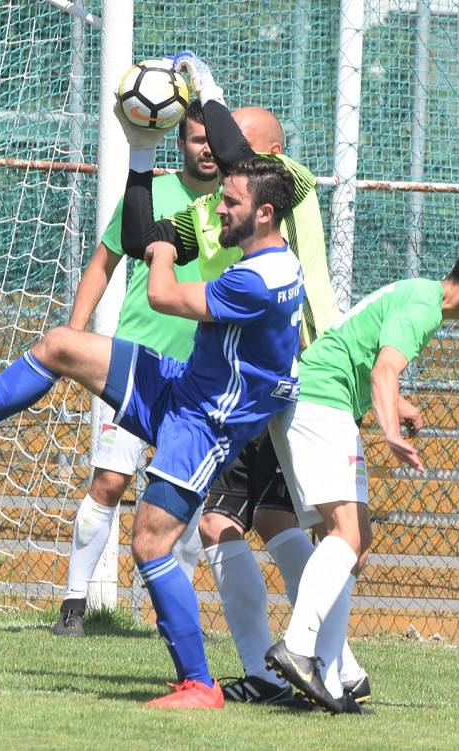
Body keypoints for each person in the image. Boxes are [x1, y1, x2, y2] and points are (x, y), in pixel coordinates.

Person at [0, 151, 305, 710]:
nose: (221, 207)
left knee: (151, 542)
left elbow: (161, 295)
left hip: (206, 422)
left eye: (232, 202)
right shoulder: (267, 254)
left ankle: (199, 684)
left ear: (265, 213)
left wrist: (162, 245)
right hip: (183, 385)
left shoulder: (258, 280)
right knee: (59, 344)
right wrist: (145, 152)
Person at [128, 50, 368, 708]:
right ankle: (333, 666)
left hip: (299, 380)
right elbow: (137, 234)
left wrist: (206, 89)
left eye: (232, 145)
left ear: (269, 158)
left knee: (314, 530)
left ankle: (301, 663)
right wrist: (140, 155)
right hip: (270, 389)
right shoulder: (217, 213)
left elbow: (235, 151)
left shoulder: (287, 185)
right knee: (269, 517)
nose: (215, 152)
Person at [265, 232, 459, 713]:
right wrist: (390, 430)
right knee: (347, 537)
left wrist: (394, 405)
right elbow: (384, 369)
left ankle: (328, 672)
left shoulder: (420, 295)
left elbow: (363, 348)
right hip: (321, 402)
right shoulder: (425, 309)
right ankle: (299, 648)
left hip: (320, 399)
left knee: (354, 543)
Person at [54, 100, 219, 637]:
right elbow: (102, 264)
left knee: (186, 503)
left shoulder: (235, 206)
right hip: (134, 364)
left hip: (198, 377)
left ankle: (165, 618)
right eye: (197, 139)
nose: (208, 149)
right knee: (109, 481)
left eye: (214, 140)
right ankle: (74, 607)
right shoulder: (149, 196)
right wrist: (76, 337)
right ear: (180, 142)